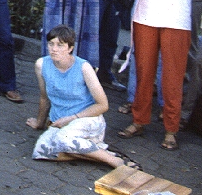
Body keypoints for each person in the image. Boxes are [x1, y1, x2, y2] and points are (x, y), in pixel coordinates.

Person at [117, 0, 199, 151]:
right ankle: (139, 120)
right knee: (144, 71)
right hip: (147, 15)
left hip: (176, 18)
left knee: (173, 75)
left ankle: (171, 129)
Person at [26, 25, 139, 170]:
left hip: (86, 120)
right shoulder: (41, 64)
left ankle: (116, 162)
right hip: (61, 124)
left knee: (63, 140)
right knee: (40, 151)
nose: (54, 49)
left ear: (70, 48)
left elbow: (103, 105)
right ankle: (98, 154)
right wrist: (39, 123)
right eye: (51, 44)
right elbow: (44, 97)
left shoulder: (83, 67)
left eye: (60, 45)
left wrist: (71, 118)